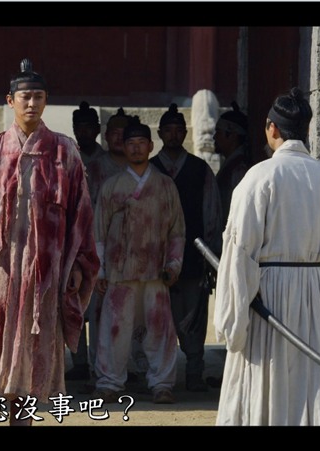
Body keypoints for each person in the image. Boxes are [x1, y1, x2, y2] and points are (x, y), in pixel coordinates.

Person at [0, 59, 99, 426]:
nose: (32, 104)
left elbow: (81, 216)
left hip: (44, 276)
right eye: (25, 97)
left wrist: (78, 265)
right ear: (10, 100)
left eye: (39, 97)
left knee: (31, 359)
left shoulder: (64, 153)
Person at [214, 87, 320, 426]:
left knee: (270, 383)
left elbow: (240, 255)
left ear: (272, 128)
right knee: (314, 385)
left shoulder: (258, 178)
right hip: (319, 297)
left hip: (271, 296)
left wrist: (233, 322)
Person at [91, 116, 185, 405]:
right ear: (124, 146)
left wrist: (173, 264)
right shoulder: (111, 186)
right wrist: (100, 270)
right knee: (114, 330)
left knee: (159, 330)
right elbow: (99, 232)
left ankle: (161, 383)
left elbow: (177, 231)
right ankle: (109, 382)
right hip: (119, 271)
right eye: (130, 143)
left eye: (141, 143)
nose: (135, 148)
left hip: (156, 270)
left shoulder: (166, 185)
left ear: (150, 146)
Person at [150, 103, 222, 392]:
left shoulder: (199, 169)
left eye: (178, 130)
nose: (173, 135)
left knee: (194, 317)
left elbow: (212, 214)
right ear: (159, 134)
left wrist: (212, 257)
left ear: (185, 133)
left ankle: (194, 372)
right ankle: (158, 378)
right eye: (168, 130)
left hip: (193, 255)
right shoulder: (149, 169)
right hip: (155, 258)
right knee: (156, 319)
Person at [64, 100, 103, 382]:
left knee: (101, 309)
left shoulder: (109, 164)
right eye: (80, 127)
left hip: (101, 241)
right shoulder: (67, 159)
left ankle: (101, 364)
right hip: (73, 242)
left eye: (90, 127)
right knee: (73, 303)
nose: (85, 132)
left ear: (98, 130)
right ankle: (78, 362)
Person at [213, 101, 251, 223]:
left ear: (232, 136)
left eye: (218, 132)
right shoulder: (232, 165)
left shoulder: (240, 169)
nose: (214, 137)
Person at [72, 100, 103, 166]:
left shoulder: (108, 159)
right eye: (79, 128)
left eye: (88, 127)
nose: (83, 132)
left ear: (98, 129)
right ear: (74, 130)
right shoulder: (67, 159)